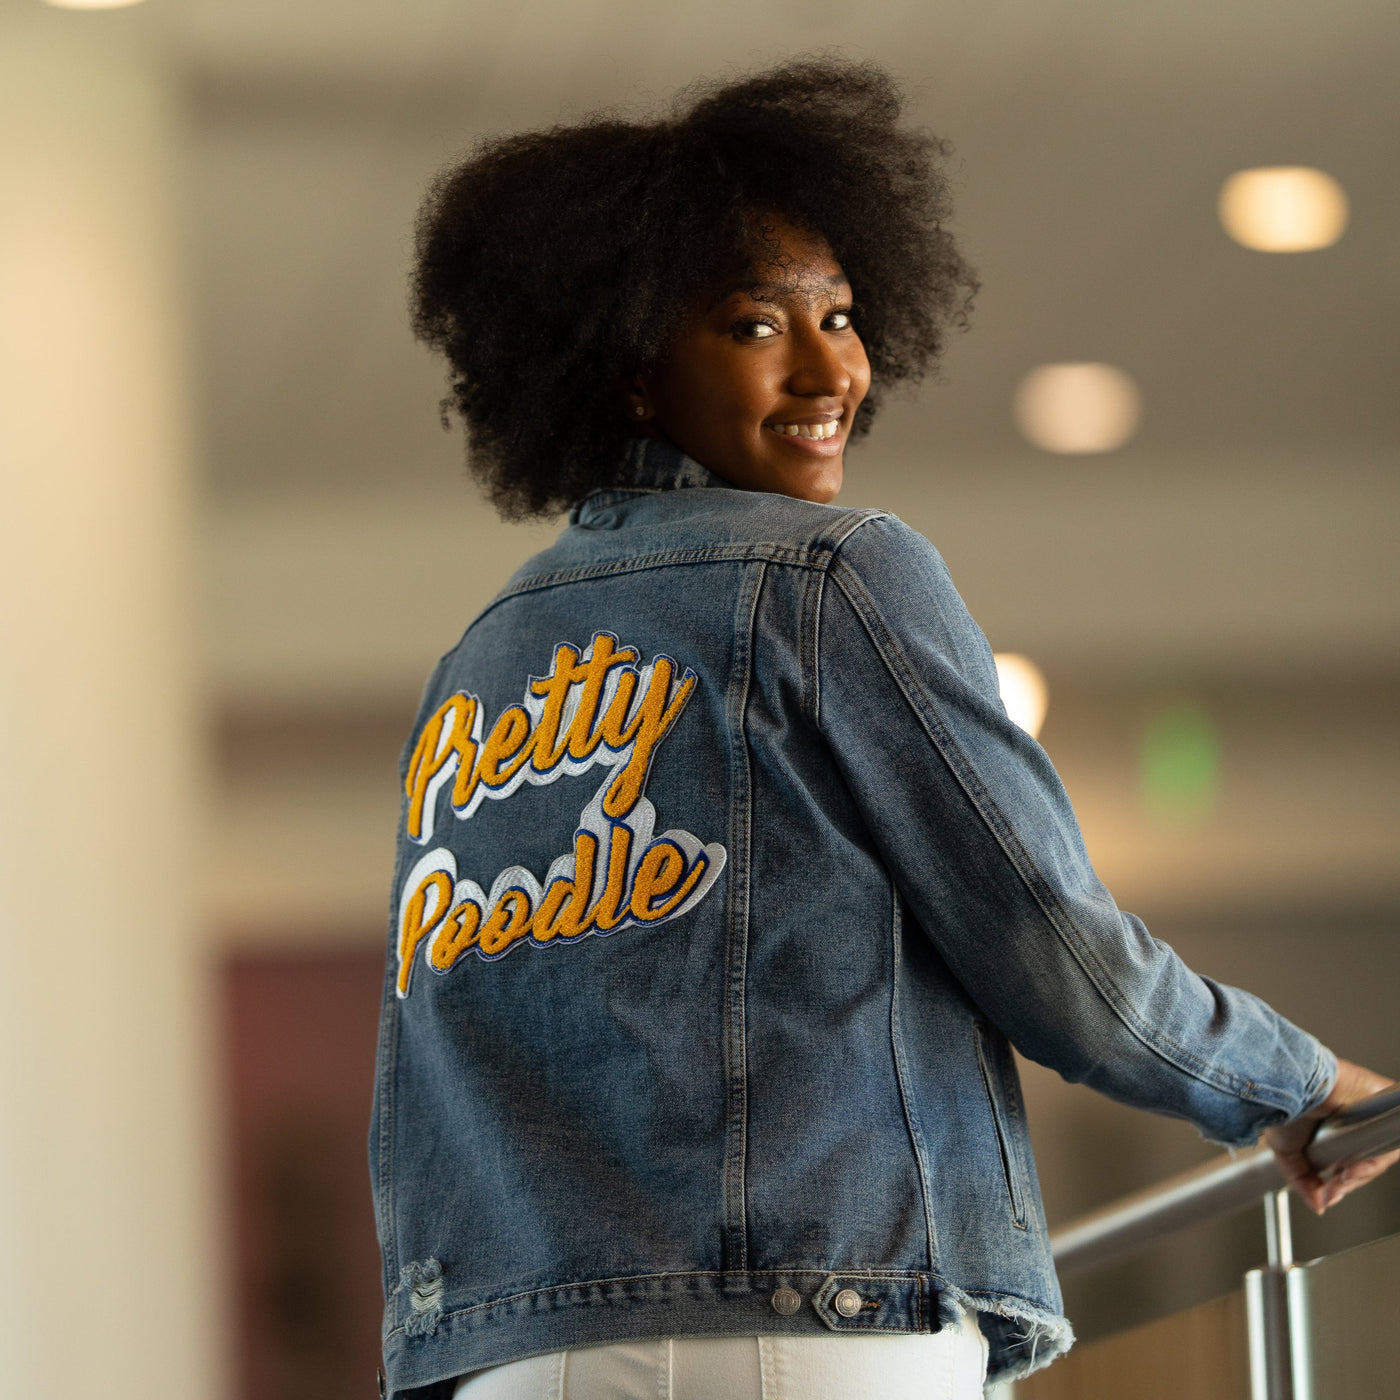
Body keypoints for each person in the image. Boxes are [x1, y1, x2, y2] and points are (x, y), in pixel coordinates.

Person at [370, 58, 1395, 1400]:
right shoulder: (834, 574)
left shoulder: (483, 658)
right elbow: (1057, 954)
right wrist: (1294, 1083)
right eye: (755, 325)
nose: (830, 367)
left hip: (517, 1352)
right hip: (814, 1319)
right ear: (628, 366)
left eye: (842, 315)